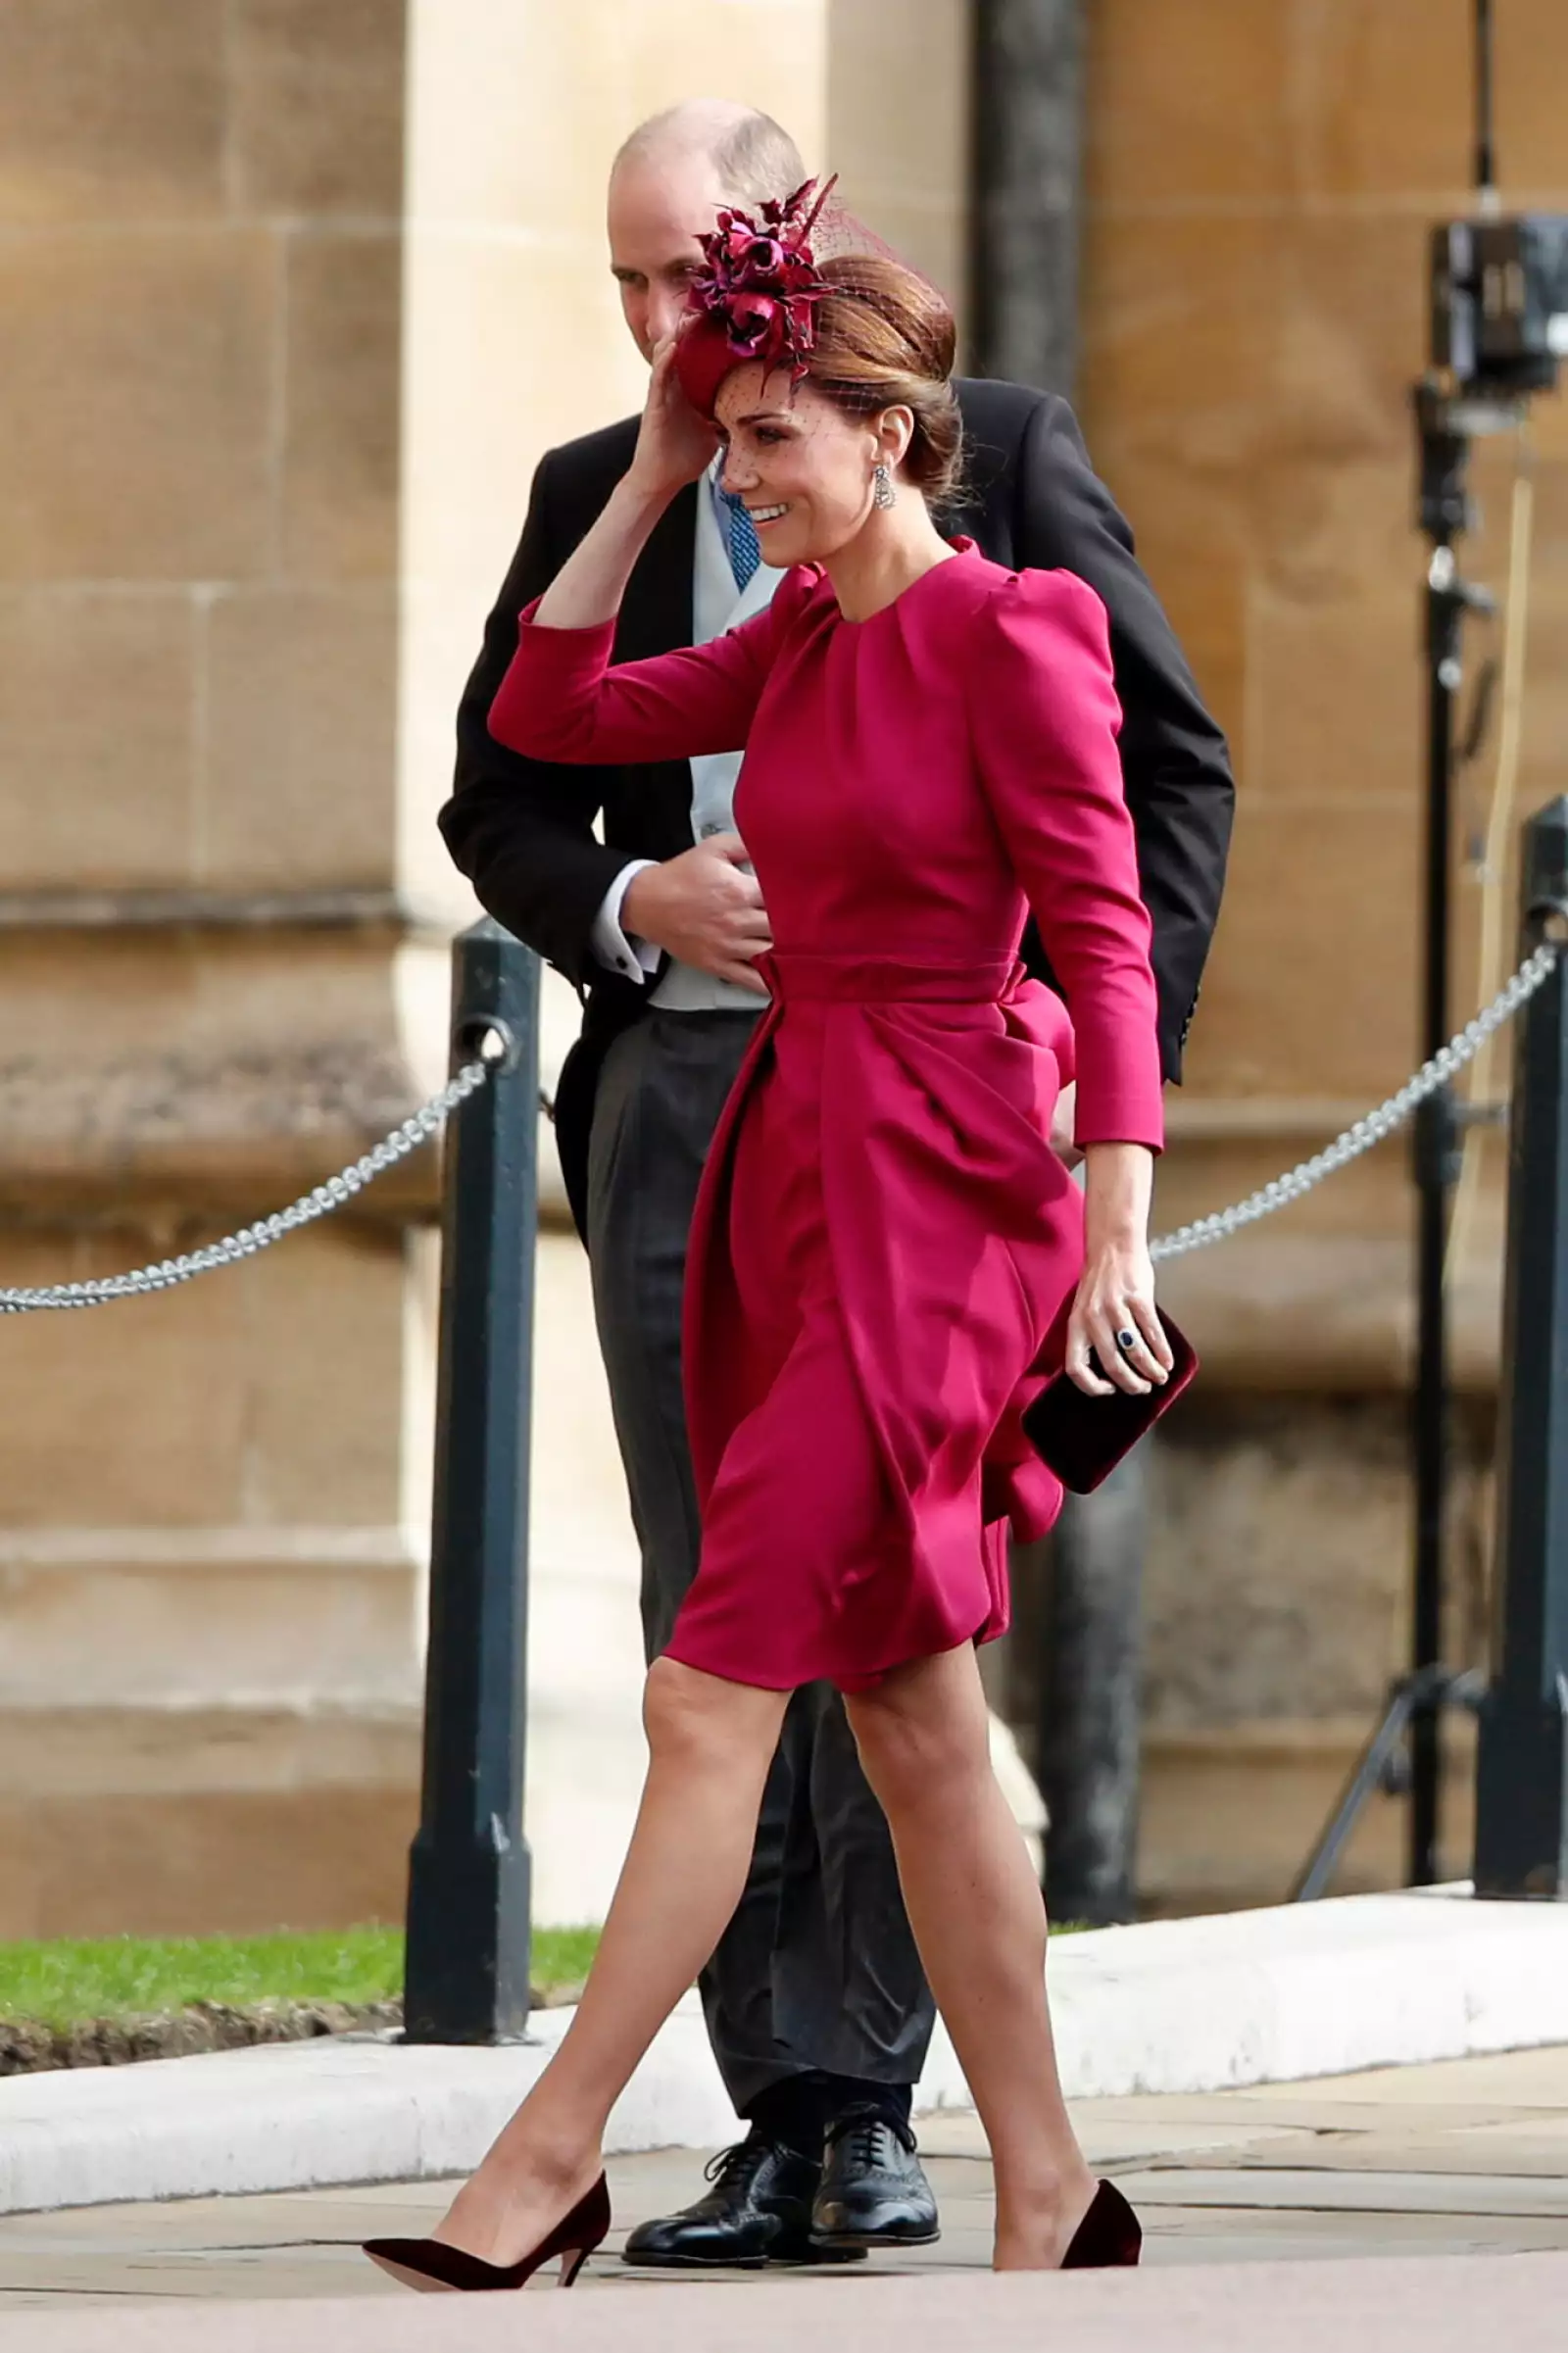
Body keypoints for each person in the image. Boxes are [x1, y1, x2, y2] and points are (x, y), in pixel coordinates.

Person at [439, 101, 1233, 2268]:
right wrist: (659, 471)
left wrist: (1113, 1205)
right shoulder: (779, 623)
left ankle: (552, 2158)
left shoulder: (1013, 629)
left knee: (722, 1677)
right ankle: (1039, 2181)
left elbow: (1101, 910)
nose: (744, 458)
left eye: (775, 423)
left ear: (885, 431)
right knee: (909, 1705)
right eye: (736, 420)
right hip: (769, 1155)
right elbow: (548, 715)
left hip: (940, 1194)